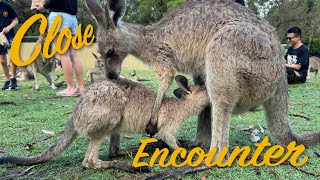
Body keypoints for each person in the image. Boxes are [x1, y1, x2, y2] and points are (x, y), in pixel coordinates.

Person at [36, 0, 84, 96]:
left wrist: (43, 6)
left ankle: (70, 88)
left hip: (60, 17)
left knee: (64, 54)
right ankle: (80, 87)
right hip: (72, 18)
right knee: (74, 54)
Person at [0, 0, 18, 90]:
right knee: (2, 60)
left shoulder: (6, 6)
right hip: (0, 36)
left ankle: (13, 79)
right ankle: (7, 80)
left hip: (9, 34)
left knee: (13, 58)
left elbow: (15, 21)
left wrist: (8, 28)